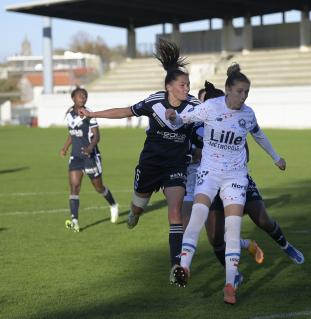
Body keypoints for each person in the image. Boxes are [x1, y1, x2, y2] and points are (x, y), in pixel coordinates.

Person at [78, 39, 200, 278]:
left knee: (175, 212)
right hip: (150, 164)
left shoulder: (194, 106)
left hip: (176, 166)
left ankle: (176, 266)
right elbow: (125, 111)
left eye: (188, 85)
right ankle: (134, 214)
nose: (187, 89)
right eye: (183, 85)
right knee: (138, 206)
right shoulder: (153, 102)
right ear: (169, 87)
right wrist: (93, 114)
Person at [167, 64, 286, 305]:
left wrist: (276, 158)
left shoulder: (248, 114)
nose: (243, 96)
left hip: (235, 176)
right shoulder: (211, 107)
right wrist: (174, 116)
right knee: (198, 216)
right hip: (209, 173)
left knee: (233, 229)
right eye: (240, 91)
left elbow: (259, 135)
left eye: (247, 93)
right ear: (228, 90)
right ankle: (185, 267)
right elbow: (184, 119)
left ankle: (230, 285)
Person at [60, 87, 119, 232]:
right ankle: (74, 221)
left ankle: (113, 204)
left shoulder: (89, 114)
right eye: (80, 96)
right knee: (74, 187)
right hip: (76, 157)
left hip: (90, 156)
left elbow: (97, 136)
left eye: (85, 96)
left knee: (99, 188)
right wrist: (65, 147)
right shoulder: (69, 114)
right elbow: (72, 134)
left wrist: (90, 148)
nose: (83, 98)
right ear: (73, 98)